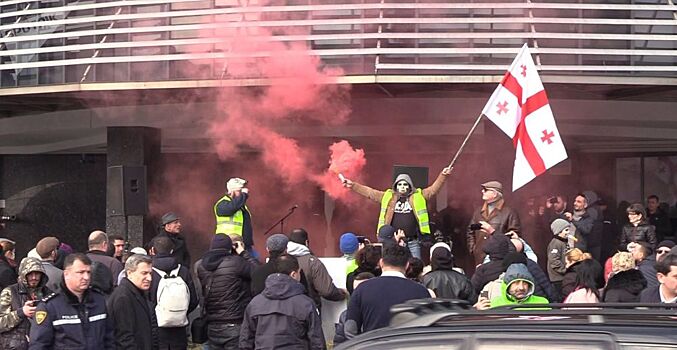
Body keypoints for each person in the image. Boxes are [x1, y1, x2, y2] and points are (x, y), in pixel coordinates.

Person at [343, 166, 452, 259]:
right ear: (396, 186)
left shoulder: (419, 196)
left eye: (405, 184)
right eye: (400, 184)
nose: (402, 187)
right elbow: (370, 192)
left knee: (415, 267)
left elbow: (433, 189)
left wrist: (443, 175)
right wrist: (353, 185)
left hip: (412, 241)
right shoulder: (388, 196)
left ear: (410, 186)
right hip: (393, 241)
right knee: (393, 265)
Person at [29, 253, 114, 349]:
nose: (86, 277)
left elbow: (109, 338)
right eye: (80, 272)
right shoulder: (50, 306)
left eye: (88, 272)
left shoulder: (99, 300)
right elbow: (39, 345)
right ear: (66, 274)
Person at [240, 254, 325, 350]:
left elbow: (245, 341)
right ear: (294, 274)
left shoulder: (255, 304)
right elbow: (317, 342)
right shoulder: (306, 304)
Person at [344, 245, 430, 338]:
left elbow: (350, 329)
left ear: (381, 263)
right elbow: (428, 328)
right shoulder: (421, 291)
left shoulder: (362, 289)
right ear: (407, 265)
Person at [197, 234, 258, 349]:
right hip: (234, 324)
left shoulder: (200, 266)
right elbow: (258, 273)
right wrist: (243, 253)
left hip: (212, 324)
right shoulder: (236, 263)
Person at [149, 236, 198, 350]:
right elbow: (193, 300)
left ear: (152, 250)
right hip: (179, 328)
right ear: (172, 250)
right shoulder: (183, 271)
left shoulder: (149, 271)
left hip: (156, 329)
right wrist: (180, 312)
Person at [286, 228, 347, 310]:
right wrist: (341, 294)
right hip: (308, 311)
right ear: (306, 242)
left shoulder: (280, 260)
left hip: (283, 313)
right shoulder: (312, 262)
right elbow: (327, 291)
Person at [0, 257, 52, 349]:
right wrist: (21, 313)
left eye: (37, 274)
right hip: (14, 346)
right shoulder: (10, 292)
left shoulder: (49, 294)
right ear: (23, 275)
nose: (34, 278)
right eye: (30, 274)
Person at [107, 254, 157, 350]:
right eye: (144, 273)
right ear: (129, 273)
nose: (149, 278)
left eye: (150, 273)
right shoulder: (123, 297)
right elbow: (124, 338)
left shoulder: (138, 293)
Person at [467, 181, 521, 265]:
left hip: (499, 259)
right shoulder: (478, 212)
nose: (482, 191)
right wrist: (474, 249)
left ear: (495, 194)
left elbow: (514, 237)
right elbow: (470, 231)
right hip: (479, 257)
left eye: (485, 190)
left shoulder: (509, 213)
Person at [476, 263, 549, 309]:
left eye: (525, 283)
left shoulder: (542, 303)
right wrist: (480, 312)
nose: (521, 287)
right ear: (507, 285)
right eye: (516, 283)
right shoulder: (495, 304)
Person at [214, 178, 254, 253]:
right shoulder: (222, 204)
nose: (242, 193)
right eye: (239, 191)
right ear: (232, 191)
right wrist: (244, 195)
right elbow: (232, 208)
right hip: (228, 244)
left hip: (243, 244)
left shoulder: (242, 206)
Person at [547, 219, 571, 296]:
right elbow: (554, 260)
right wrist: (564, 270)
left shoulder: (564, 242)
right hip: (557, 278)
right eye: (566, 230)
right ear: (559, 231)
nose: (568, 232)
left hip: (563, 276)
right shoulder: (555, 243)